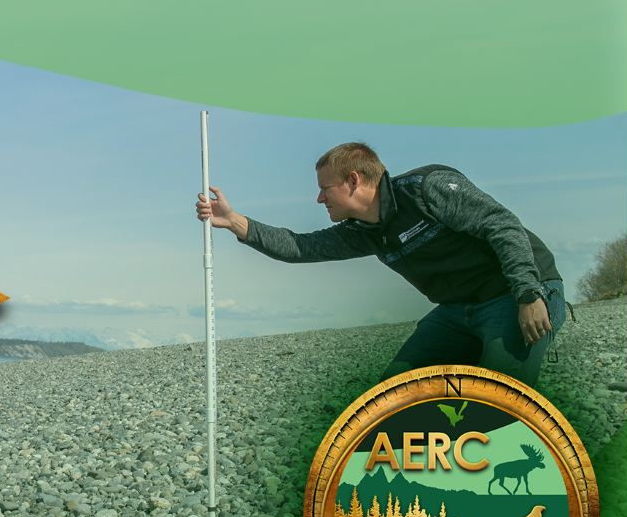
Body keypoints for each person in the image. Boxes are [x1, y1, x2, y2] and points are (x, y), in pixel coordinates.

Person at [195, 142, 565, 386]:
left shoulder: (428, 189)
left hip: (517, 295)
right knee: (394, 393)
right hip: (457, 311)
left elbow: (503, 226)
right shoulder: (362, 231)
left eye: (326, 188)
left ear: (354, 180)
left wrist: (529, 294)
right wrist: (236, 222)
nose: (319, 197)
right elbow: (300, 247)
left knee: (500, 400)